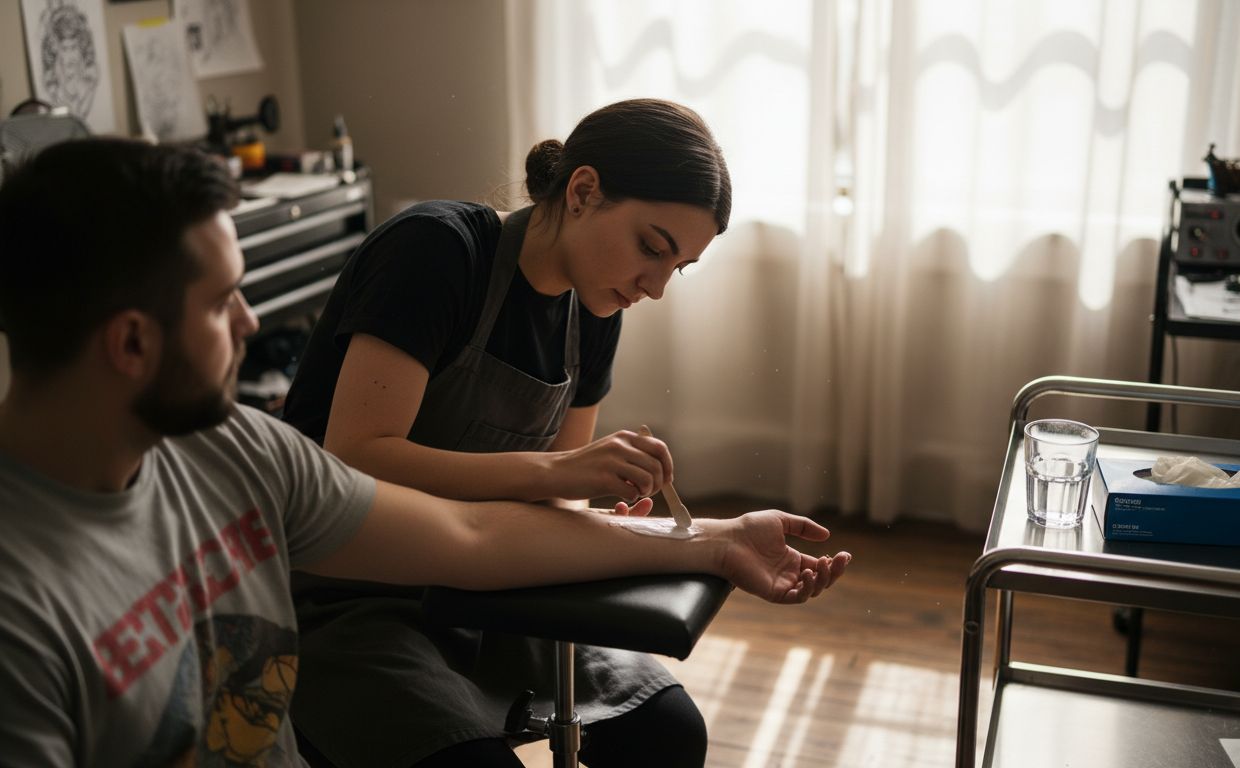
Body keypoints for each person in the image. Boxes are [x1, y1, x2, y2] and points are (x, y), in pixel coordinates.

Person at [0, 137, 851, 766]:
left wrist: (716, 538)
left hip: (458, 591)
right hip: (361, 604)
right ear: (131, 344)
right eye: (224, 302)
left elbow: (478, 537)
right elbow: (380, 461)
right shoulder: (27, 620)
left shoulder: (241, 453)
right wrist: (557, 475)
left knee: (666, 730)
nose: (255, 327)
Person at [279, 98, 735, 767]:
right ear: (583, 191)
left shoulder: (596, 311)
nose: (657, 288)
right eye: (651, 248)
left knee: (666, 730)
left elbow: (552, 502)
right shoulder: (437, 251)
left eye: (677, 268)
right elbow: (355, 461)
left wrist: (588, 511)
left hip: (483, 587)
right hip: (349, 593)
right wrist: (559, 474)